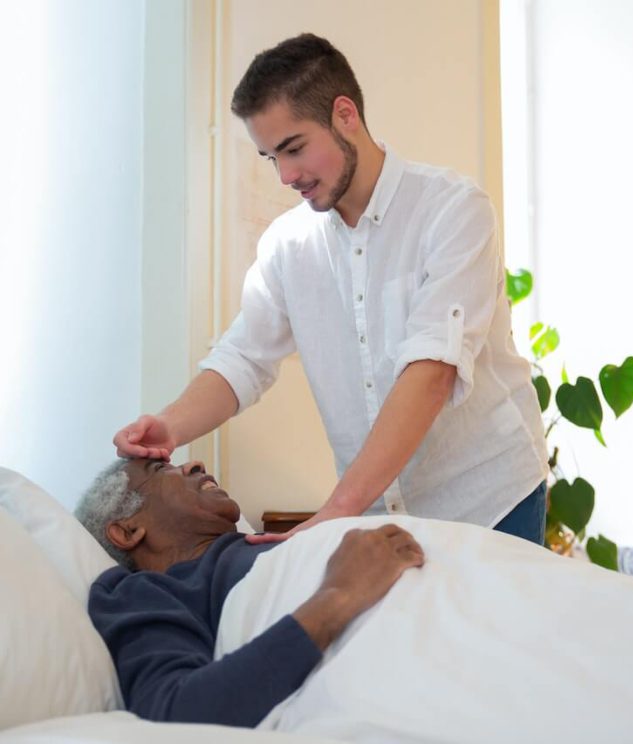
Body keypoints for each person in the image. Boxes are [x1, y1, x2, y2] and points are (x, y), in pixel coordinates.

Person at [113, 33, 548, 545]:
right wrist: (170, 426)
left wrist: (338, 510)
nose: (285, 175)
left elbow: (432, 372)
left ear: (345, 115)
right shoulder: (287, 246)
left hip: (489, 499)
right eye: (270, 157)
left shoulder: (452, 210)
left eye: (294, 148)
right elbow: (243, 358)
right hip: (378, 511)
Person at [75, 457, 424, 728]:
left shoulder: (265, 546)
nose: (195, 464)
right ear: (128, 530)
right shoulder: (142, 592)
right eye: (159, 469)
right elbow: (175, 714)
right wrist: (338, 596)